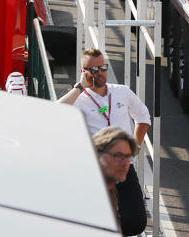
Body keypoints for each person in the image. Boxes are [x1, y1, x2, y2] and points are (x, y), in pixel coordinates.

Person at [58, 48, 150, 235]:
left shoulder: (121, 92)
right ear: (83, 72)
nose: (99, 73)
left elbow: (143, 116)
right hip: (96, 171)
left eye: (103, 67)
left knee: (136, 222)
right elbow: (54, 112)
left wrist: (136, 145)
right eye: (93, 69)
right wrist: (79, 87)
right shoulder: (79, 98)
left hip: (124, 168)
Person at [92, 126, 139, 230]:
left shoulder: (110, 190)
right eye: (118, 156)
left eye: (128, 156)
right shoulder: (87, 194)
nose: (125, 163)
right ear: (98, 154)